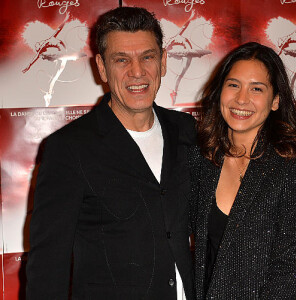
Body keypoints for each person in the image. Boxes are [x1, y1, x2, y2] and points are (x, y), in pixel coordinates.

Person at [26, 7, 196, 300]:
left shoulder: (187, 130)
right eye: (122, 60)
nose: (137, 72)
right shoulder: (67, 149)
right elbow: (47, 268)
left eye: (147, 56)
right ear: (102, 67)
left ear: (164, 61)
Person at [189, 42, 296, 299]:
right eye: (233, 85)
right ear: (219, 92)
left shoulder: (291, 166)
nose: (241, 99)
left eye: (256, 89)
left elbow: (290, 269)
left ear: (275, 101)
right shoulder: (201, 158)